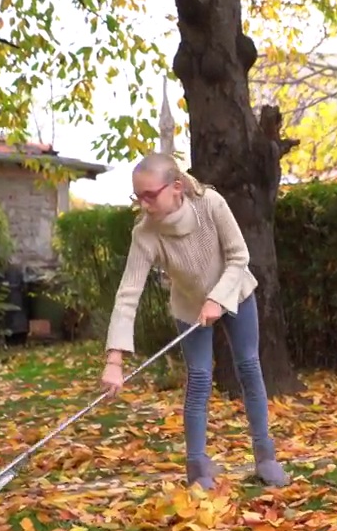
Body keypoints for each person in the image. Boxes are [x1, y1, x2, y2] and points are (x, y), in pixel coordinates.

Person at [99, 152, 289, 489]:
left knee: (248, 366)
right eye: (137, 196)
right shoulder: (145, 234)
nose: (143, 205)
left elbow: (239, 256)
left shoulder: (210, 204)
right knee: (199, 378)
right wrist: (114, 360)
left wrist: (218, 298)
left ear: (175, 187)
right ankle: (198, 469)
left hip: (236, 294)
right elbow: (128, 293)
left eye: (149, 195)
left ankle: (266, 457)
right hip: (189, 307)